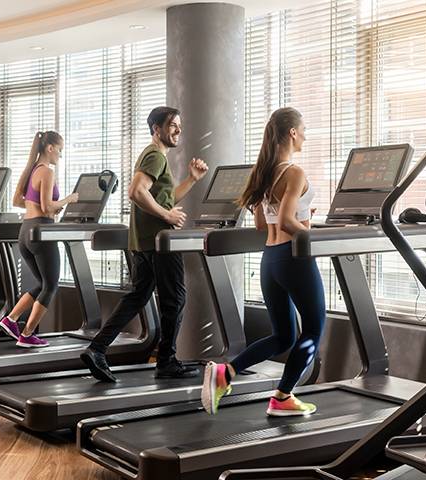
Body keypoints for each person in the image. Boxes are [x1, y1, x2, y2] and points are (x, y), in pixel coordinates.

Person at [201, 107, 325, 417]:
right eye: (304, 129)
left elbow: (262, 224)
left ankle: (226, 373)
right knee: (312, 331)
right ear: (292, 132)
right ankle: (283, 396)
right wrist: (318, 238)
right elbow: (285, 221)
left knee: (283, 336)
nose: (306, 136)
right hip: (294, 259)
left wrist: (302, 218)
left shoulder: (264, 172)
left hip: (270, 261)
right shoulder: (294, 172)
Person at [80, 106, 208, 382]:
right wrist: (166, 216)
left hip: (144, 242)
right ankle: (167, 361)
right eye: (172, 125)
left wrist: (191, 180)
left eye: (179, 126)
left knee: (137, 297)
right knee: (175, 299)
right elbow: (136, 192)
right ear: (156, 129)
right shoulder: (154, 155)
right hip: (160, 243)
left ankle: (97, 349)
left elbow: (163, 198)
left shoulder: (155, 157)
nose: (177, 130)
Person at [0, 131, 79, 347]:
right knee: (51, 286)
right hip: (42, 232)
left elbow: (18, 201)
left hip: (25, 231)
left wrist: (48, 208)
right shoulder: (47, 172)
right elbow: (46, 206)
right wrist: (68, 199)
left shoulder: (30, 170)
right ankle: (27, 334)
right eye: (59, 150)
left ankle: (11, 318)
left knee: (42, 283)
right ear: (50, 148)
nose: (60, 155)